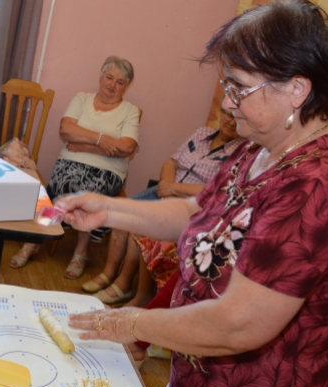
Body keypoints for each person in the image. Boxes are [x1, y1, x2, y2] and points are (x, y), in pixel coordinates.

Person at [57, 1, 328, 387]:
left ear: (297, 88)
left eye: (239, 88)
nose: (227, 103)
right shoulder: (262, 144)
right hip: (196, 377)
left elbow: (237, 323)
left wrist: (130, 323)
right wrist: (110, 210)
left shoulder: (319, 187)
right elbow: (199, 214)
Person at [81, 109, 243, 306]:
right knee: (121, 214)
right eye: (227, 115)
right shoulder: (202, 133)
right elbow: (171, 162)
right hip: (167, 190)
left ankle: (123, 286)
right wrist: (167, 187)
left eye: (237, 117)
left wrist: (175, 190)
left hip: (191, 202)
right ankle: (109, 273)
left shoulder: (240, 153)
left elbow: (216, 190)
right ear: (221, 114)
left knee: (139, 226)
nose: (231, 122)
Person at [9, 56, 140, 279]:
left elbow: (127, 147)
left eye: (120, 82)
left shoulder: (130, 111)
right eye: (109, 77)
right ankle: (36, 239)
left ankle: (81, 251)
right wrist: (102, 140)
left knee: (89, 190)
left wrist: (85, 145)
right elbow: (66, 130)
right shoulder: (82, 99)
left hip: (108, 171)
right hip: (70, 162)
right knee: (60, 182)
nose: (112, 84)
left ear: (126, 87)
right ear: (100, 77)